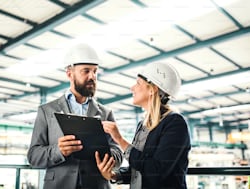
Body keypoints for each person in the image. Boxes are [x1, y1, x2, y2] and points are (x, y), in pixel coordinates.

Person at [27, 43, 123, 189]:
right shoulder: (47, 111)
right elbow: (33, 156)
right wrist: (59, 151)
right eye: (86, 71)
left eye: (95, 71)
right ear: (69, 74)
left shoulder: (106, 113)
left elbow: (117, 153)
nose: (92, 76)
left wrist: (110, 161)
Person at [95, 62, 191, 189]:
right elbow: (139, 170)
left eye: (138, 83)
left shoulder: (175, 124)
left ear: (152, 89)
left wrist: (120, 140)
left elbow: (156, 171)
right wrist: (114, 175)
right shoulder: (143, 124)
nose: (132, 88)